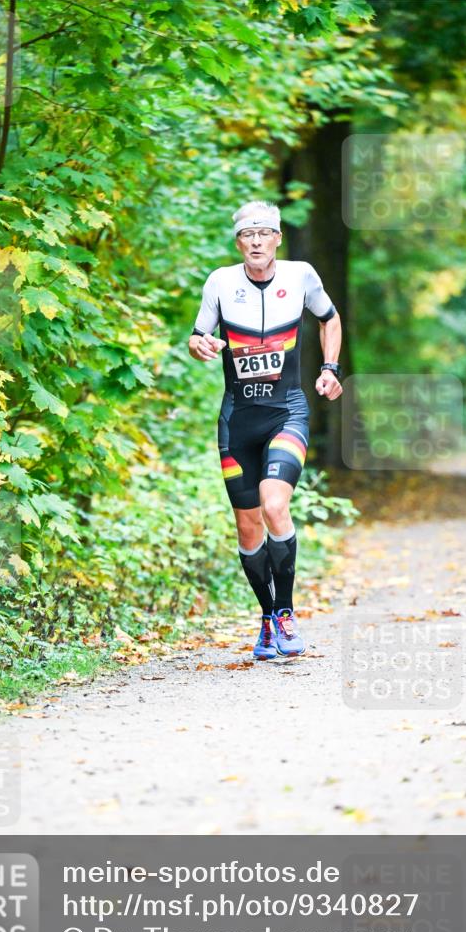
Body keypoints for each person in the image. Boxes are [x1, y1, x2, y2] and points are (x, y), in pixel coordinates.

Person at [189, 200, 342, 659]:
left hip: (286, 411)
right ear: (238, 242)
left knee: (275, 505)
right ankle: (267, 619)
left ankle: (287, 612)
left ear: (277, 238)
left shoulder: (301, 276)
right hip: (238, 420)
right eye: (247, 235)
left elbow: (329, 318)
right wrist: (201, 345)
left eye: (264, 233)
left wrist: (331, 367)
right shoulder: (220, 282)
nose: (256, 241)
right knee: (248, 527)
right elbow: (198, 335)